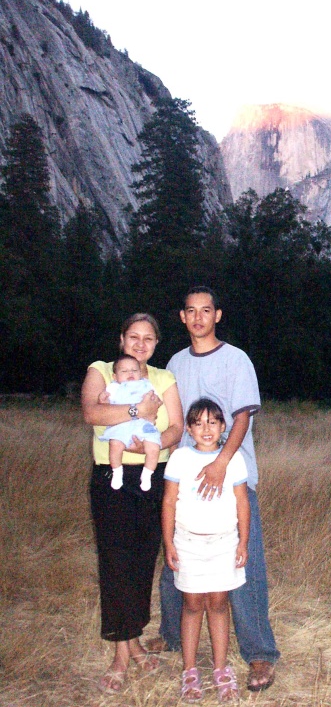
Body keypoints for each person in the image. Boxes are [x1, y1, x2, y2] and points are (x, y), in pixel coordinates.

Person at [146, 286, 280, 692]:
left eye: (207, 310)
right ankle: (172, 636)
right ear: (183, 318)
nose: (199, 317)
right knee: (176, 563)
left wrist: (222, 463)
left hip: (232, 478)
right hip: (186, 479)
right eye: (191, 311)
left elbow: (242, 417)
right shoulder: (174, 363)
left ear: (217, 315)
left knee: (244, 566)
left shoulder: (236, 359)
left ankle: (259, 654)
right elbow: (174, 423)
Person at [81, 313, 184, 695]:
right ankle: (121, 655)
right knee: (116, 562)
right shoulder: (103, 371)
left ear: (156, 344)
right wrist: (136, 413)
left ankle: (134, 641)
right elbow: (92, 413)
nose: (140, 344)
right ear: (122, 338)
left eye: (149, 339)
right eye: (134, 337)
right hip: (113, 476)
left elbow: (176, 426)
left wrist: (155, 441)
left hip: (154, 478)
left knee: (142, 561)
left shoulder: (163, 378)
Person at [162, 397, 250, 703]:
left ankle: (221, 669)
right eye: (198, 423)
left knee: (218, 603)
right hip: (188, 542)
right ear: (188, 428)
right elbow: (169, 502)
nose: (206, 428)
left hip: (224, 542)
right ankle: (189, 670)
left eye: (213, 421)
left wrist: (243, 541)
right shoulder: (180, 459)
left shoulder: (233, 459)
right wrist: (169, 542)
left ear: (223, 426)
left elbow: (242, 502)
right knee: (192, 604)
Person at [99, 354, 162, 491]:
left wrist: (153, 402)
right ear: (115, 377)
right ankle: (117, 471)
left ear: (140, 373)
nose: (130, 374)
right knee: (115, 445)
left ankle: (147, 474)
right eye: (124, 371)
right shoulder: (113, 387)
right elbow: (106, 408)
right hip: (122, 424)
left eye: (134, 370)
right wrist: (104, 401)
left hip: (143, 424)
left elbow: (157, 401)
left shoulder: (146, 384)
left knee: (154, 447)